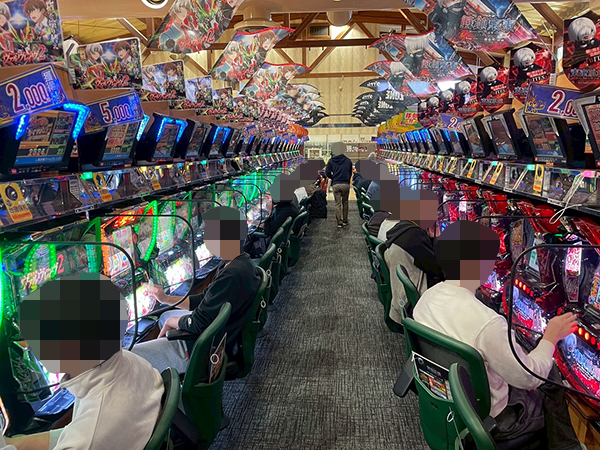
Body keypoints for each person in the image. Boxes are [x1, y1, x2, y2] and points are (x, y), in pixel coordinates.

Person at [414, 221, 583, 450]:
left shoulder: (426, 299)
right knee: (549, 374)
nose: (495, 263)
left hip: (449, 399)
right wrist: (550, 338)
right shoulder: (488, 324)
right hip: (491, 417)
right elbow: (529, 377)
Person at [5, 273, 164, 450]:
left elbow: (86, 436)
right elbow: (73, 432)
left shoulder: (89, 438)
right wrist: (14, 444)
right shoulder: (126, 360)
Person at [133, 206, 262, 374]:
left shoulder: (231, 275)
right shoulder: (239, 263)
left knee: (133, 355)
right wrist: (166, 299)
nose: (205, 238)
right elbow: (204, 299)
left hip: (205, 348)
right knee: (165, 316)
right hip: (217, 333)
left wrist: (173, 321)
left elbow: (200, 322)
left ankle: (170, 378)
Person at [378, 187, 445, 324]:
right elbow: (439, 270)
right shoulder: (414, 237)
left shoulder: (403, 228)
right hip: (414, 308)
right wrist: (437, 239)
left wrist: (430, 238)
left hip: (400, 304)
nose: (437, 216)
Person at [326, 142, 353, 228]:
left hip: (336, 184)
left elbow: (327, 173)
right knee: (345, 202)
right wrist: (347, 179)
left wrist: (333, 178)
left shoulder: (331, 161)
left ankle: (339, 222)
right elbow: (350, 172)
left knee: (337, 204)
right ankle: (345, 220)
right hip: (345, 184)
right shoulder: (348, 160)